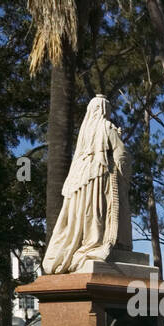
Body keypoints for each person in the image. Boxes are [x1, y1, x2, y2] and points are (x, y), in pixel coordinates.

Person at [42, 95, 133, 274]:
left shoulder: (85, 132)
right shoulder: (107, 127)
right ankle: (96, 242)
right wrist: (125, 173)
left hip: (80, 179)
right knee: (98, 210)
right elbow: (121, 154)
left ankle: (85, 242)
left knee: (86, 212)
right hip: (100, 176)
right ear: (105, 110)